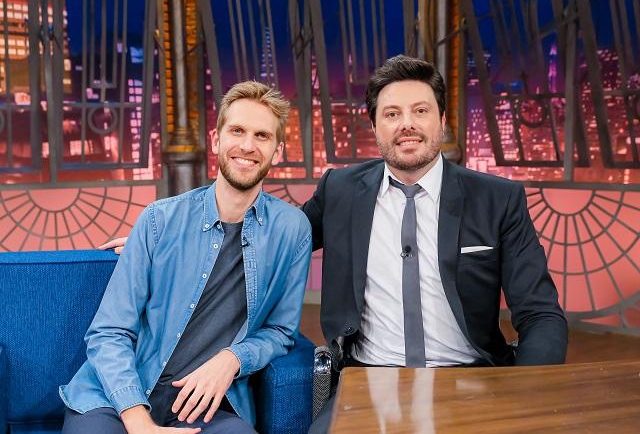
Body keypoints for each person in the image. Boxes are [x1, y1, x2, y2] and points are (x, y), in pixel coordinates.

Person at [103, 56, 568, 433]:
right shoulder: (342, 191)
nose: (406, 124)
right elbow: (270, 240)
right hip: (368, 379)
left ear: (442, 120)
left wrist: (525, 392)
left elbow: (540, 313)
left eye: (420, 111)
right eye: (392, 114)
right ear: (376, 127)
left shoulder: (499, 199)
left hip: (471, 377)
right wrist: (160, 238)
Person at [60, 81, 312, 434]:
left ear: (277, 150)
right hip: (116, 397)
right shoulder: (159, 220)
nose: (248, 146)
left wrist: (233, 358)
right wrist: (137, 419)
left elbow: (281, 331)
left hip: (203, 402)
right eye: (237, 131)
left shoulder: (292, 230)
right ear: (216, 140)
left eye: (262, 136)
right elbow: (108, 333)